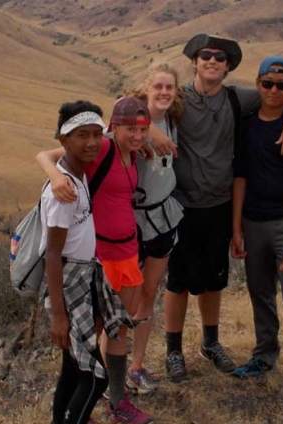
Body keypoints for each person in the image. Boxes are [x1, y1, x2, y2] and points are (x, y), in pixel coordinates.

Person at [149, 34, 283, 383]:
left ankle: (211, 343)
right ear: (194, 61)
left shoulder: (238, 98)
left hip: (220, 205)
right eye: (206, 55)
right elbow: (131, 103)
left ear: (228, 66)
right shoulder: (176, 98)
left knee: (214, 280)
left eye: (220, 57)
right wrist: (147, 125)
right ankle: (173, 350)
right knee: (177, 281)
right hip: (180, 205)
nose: (212, 61)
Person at [37, 97, 154, 424]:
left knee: (118, 329)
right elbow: (47, 156)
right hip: (97, 259)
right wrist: (56, 179)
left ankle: (117, 403)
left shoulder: (134, 151)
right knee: (89, 337)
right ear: (113, 128)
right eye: (130, 128)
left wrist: (144, 139)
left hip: (127, 254)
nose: (137, 134)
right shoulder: (98, 148)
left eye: (142, 129)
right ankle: (79, 408)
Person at [229, 56, 283, 398]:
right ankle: (264, 356)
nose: (274, 91)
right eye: (267, 84)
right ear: (258, 84)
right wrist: (236, 227)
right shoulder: (247, 125)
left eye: (282, 85)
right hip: (253, 221)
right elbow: (240, 176)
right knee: (259, 292)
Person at [125, 62, 186, 395]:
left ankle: (136, 366)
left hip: (162, 219)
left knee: (148, 295)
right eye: (158, 86)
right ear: (146, 87)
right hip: (129, 223)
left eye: (169, 87)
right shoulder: (129, 119)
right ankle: (112, 371)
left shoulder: (174, 118)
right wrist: (148, 129)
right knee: (122, 300)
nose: (164, 92)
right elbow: (114, 129)